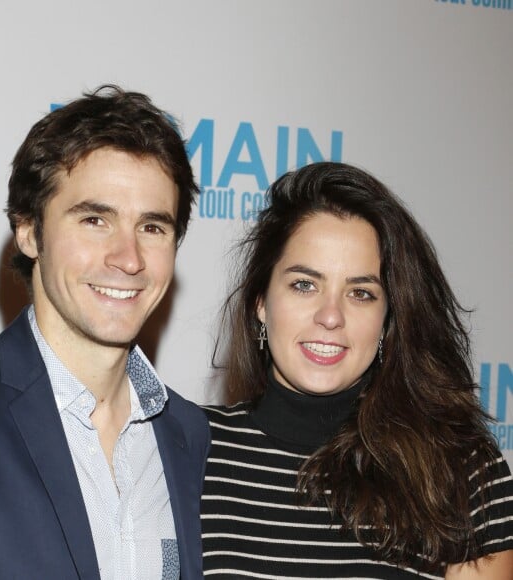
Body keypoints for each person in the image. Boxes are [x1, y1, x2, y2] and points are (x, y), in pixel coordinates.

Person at [0, 86, 210, 579]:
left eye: (152, 227)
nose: (128, 258)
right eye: (94, 219)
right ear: (29, 231)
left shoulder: (192, 435)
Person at [201, 162, 513, 579]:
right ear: (261, 302)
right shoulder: (191, 450)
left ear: (388, 319)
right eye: (304, 285)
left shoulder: (460, 469)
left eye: (361, 293)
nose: (331, 316)